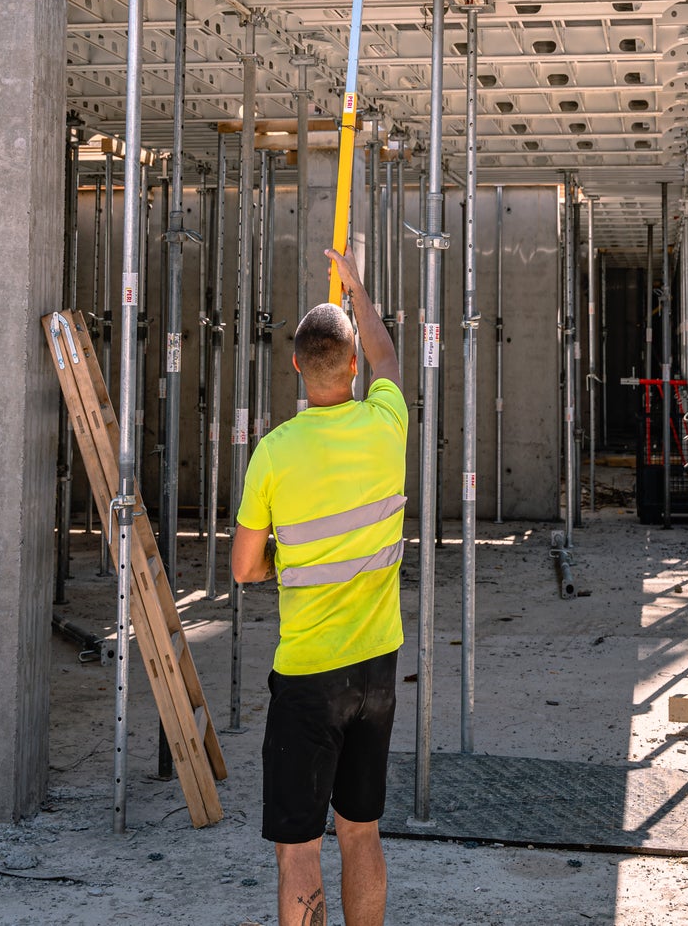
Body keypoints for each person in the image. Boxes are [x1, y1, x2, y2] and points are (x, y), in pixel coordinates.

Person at [232, 244, 407, 926]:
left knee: (297, 847)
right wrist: (358, 290)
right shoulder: (387, 425)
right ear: (354, 367)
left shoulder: (274, 454)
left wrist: (288, 561)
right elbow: (390, 359)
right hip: (378, 668)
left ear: (297, 366)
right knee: (360, 831)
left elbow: (246, 568)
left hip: (308, 676)